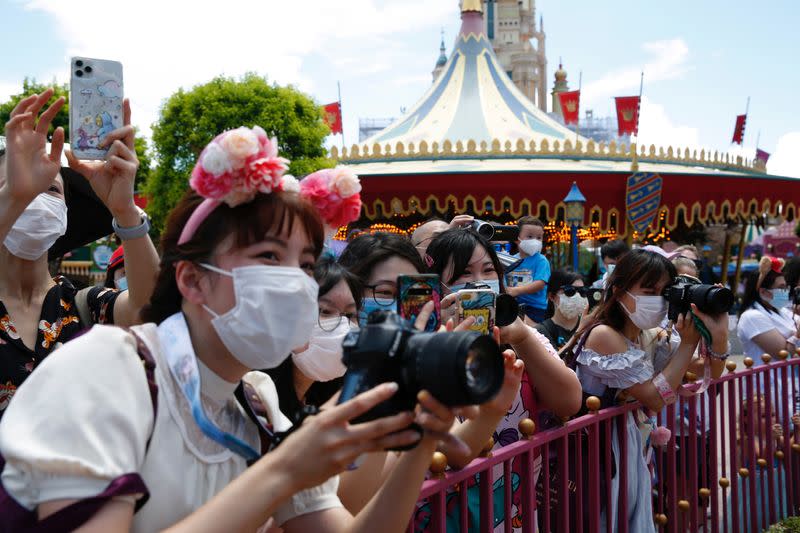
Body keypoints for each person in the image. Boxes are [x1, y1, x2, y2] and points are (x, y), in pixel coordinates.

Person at [0, 127, 463, 532]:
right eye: (268, 257)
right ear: (193, 279)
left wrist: (418, 444)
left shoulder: (256, 408)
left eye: (306, 264)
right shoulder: (108, 368)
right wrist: (282, 472)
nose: (296, 283)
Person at [0, 89, 159, 416]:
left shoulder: (83, 307)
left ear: (66, 211)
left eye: (50, 189)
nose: (33, 196)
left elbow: (151, 308)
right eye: (17, 187)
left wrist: (125, 210)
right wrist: (14, 198)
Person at [422, 227, 581, 530]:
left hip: (514, 512)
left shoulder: (522, 336)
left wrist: (521, 335)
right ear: (438, 286)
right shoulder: (424, 343)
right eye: (463, 275)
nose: (479, 281)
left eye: (487, 270)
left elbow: (570, 402)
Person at [564, 248, 728, 533]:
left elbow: (707, 371)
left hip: (626, 446)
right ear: (618, 290)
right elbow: (655, 397)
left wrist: (719, 333)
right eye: (649, 290)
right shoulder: (604, 335)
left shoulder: (645, 335)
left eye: (664, 292)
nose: (658, 300)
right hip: (599, 453)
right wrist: (688, 344)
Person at [266, 257, 359, 419]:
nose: (342, 327)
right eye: (324, 311)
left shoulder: (339, 403)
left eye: (350, 315)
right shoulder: (256, 401)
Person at [737, 256, 800, 365]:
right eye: (781, 288)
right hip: (770, 380)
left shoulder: (783, 311)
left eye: (786, 287)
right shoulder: (752, 317)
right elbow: (784, 354)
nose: (786, 291)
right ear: (764, 292)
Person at [504, 216, 550, 323]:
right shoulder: (510, 260)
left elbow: (540, 283)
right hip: (513, 304)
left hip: (535, 308)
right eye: (529, 236)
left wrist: (516, 291)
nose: (535, 241)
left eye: (539, 238)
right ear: (517, 238)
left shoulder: (541, 260)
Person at [535, 269, 587, 351]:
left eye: (581, 291)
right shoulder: (541, 331)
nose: (577, 296)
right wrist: (579, 332)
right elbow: (555, 362)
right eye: (570, 291)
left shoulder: (589, 327)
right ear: (552, 296)